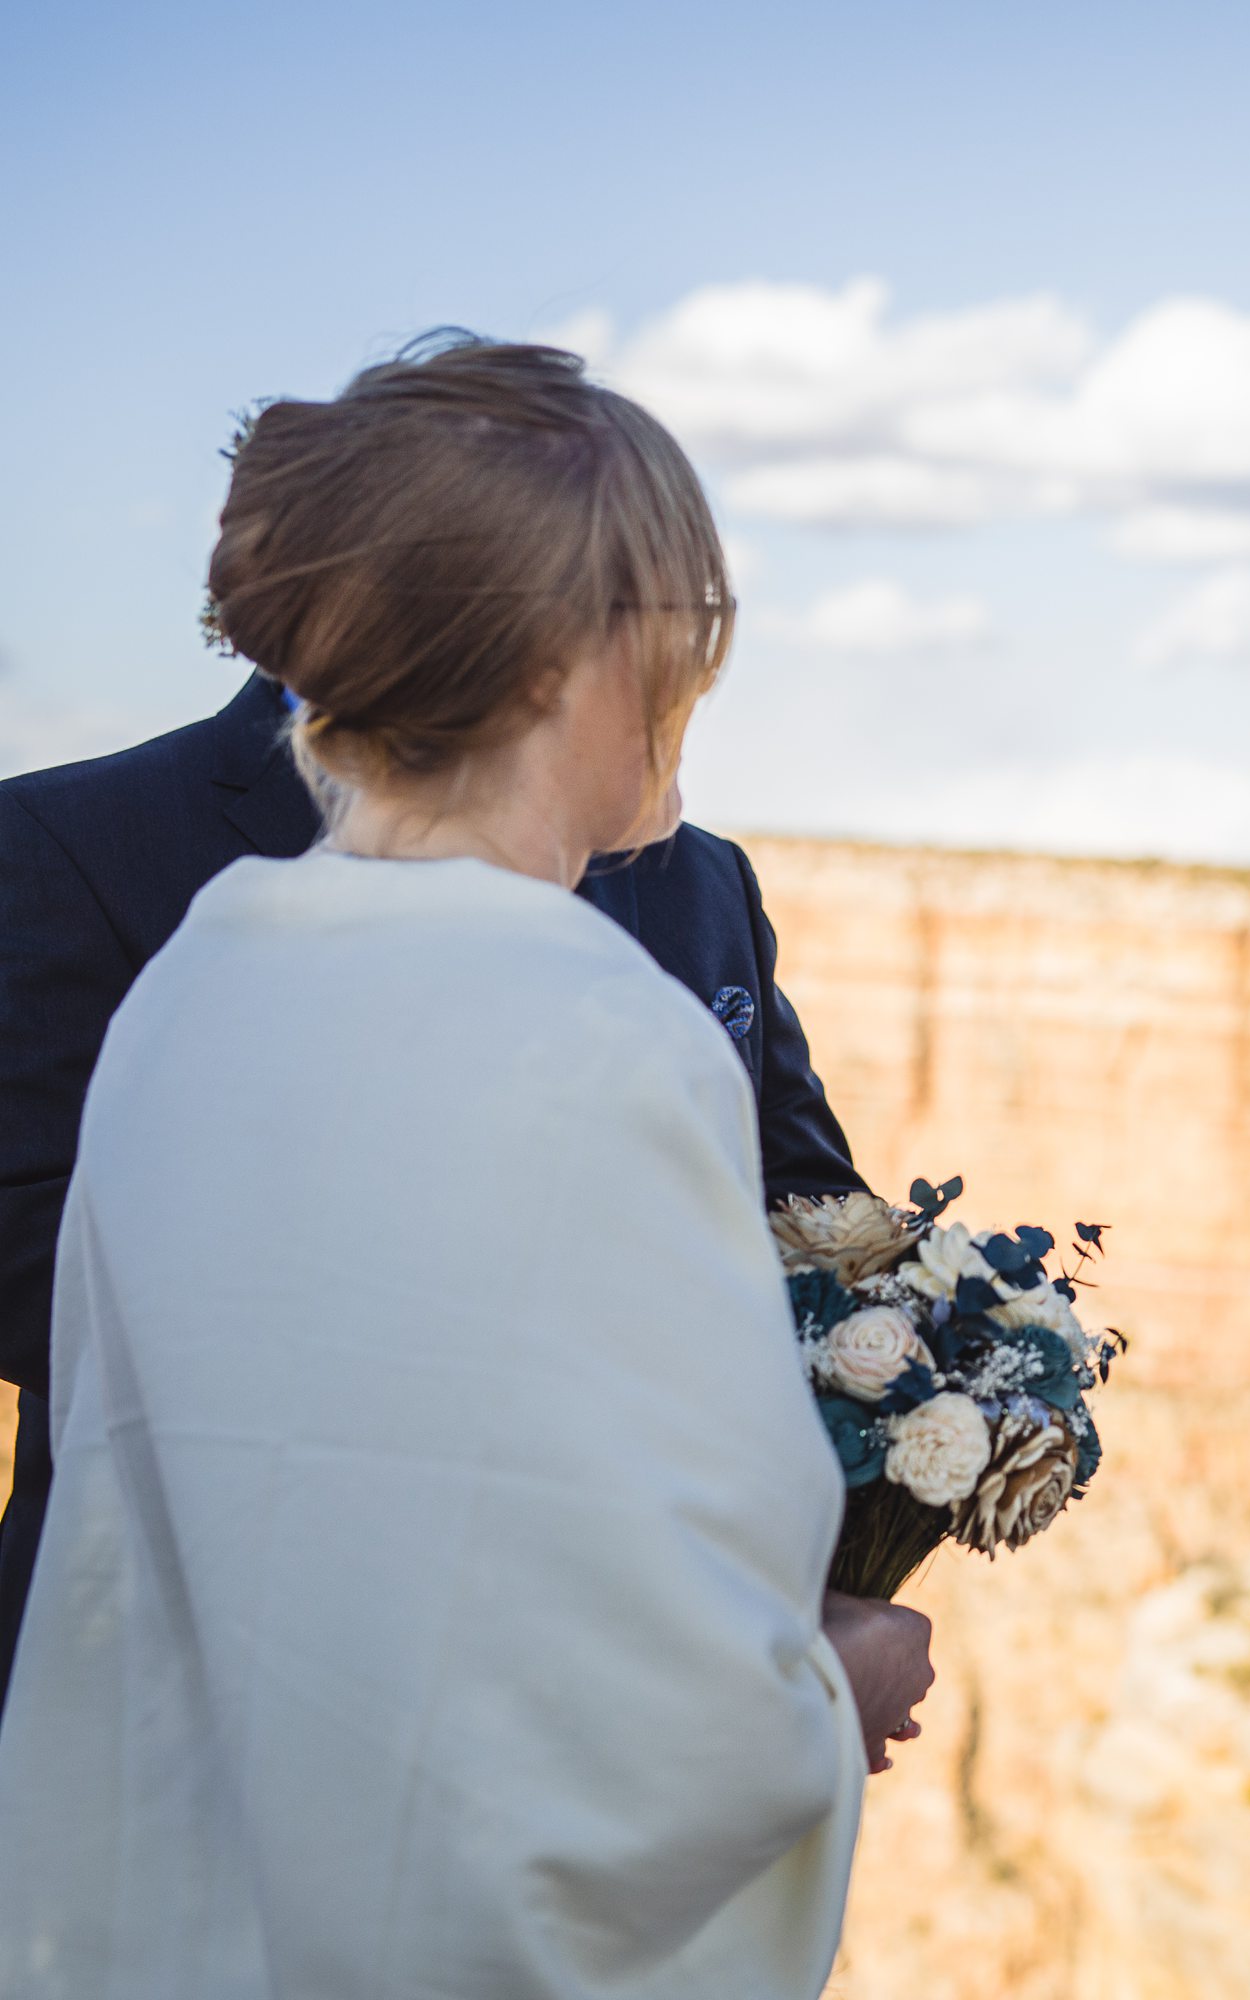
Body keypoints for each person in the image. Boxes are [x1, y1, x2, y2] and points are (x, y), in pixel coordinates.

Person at [0, 336, 930, 1997]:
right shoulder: (599, 1035)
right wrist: (831, 1686)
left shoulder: (194, 990)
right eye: (678, 631)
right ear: (557, 665)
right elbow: (666, 1650)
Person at [0, 655, 860, 1716]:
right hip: (187, 1665)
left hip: (607, 1677)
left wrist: (827, 1577)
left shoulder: (699, 874)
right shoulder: (74, 837)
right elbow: (28, 1251)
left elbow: (807, 1218)